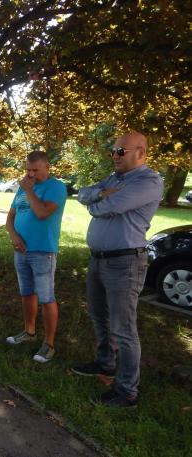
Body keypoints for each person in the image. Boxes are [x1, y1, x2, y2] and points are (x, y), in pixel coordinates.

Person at [73, 131, 163, 408]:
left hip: (125, 262)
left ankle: (127, 392)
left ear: (141, 152)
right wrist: (100, 193)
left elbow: (105, 208)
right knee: (99, 315)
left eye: (121, 152)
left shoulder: (149, 181)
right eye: (113, 151)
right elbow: (82, 194)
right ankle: (105, 363)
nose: (115, 155)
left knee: (124, 328)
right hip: (98, 259)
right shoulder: (114, 179)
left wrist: (98, 200)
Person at [5, 151, 67, 363]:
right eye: (28, 170)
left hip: (43, 251)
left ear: (47, 166)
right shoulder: (24, 189)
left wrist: (29, 190)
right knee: (26, 293)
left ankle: (49, 344)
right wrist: (14, 236)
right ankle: (29, 331)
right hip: (21, 250)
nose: (30, 174)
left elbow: (42, 213)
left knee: (46, 297)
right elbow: (10, 216)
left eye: (35, 170)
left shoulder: (55, 187)